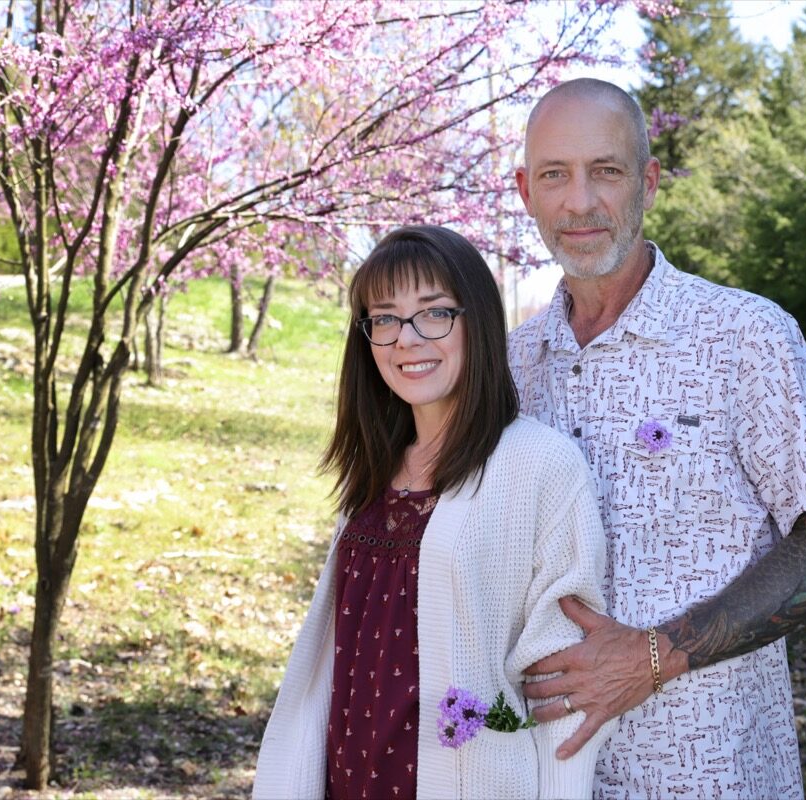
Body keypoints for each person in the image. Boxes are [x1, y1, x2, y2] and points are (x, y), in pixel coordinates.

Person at [506, 78, 806, 799]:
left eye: (605, 171)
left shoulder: (745, 336)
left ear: (647, 181)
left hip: (712, 775)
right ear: (525, 191)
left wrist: (653, 656)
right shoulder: (512, 365)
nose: (580, 202)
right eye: (555, 175)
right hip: (543, 773)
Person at [252, 225, 615, 800]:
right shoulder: (377, 468)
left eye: (434, 313)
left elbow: (562, 680)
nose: (407, 339)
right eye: (386, 319)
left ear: (477, 321)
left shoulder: (538, 465)